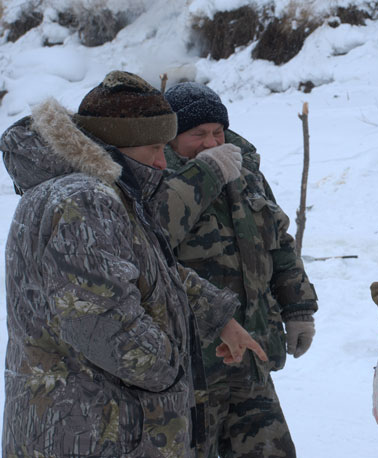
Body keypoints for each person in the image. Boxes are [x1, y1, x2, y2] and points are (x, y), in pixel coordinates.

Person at [0, 70, 267, 457]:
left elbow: (152, 272)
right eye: (154, 149)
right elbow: (100, 320)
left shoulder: (101, 190)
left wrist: (220, 319)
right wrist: (175, 369)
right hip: (92, 432)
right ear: (116, 147)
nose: (162, 163)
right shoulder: (84, 199)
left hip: (95, 425)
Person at [157, 81, 318, 458]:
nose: (212, 143)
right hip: (190, 370)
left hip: (250, 357)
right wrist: (203, 178)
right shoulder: (155, 181)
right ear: (170, 138)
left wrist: (299, 309)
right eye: (198, 134)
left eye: (218, 132)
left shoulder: (246, 174)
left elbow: (279, 245)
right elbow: (153, 247)